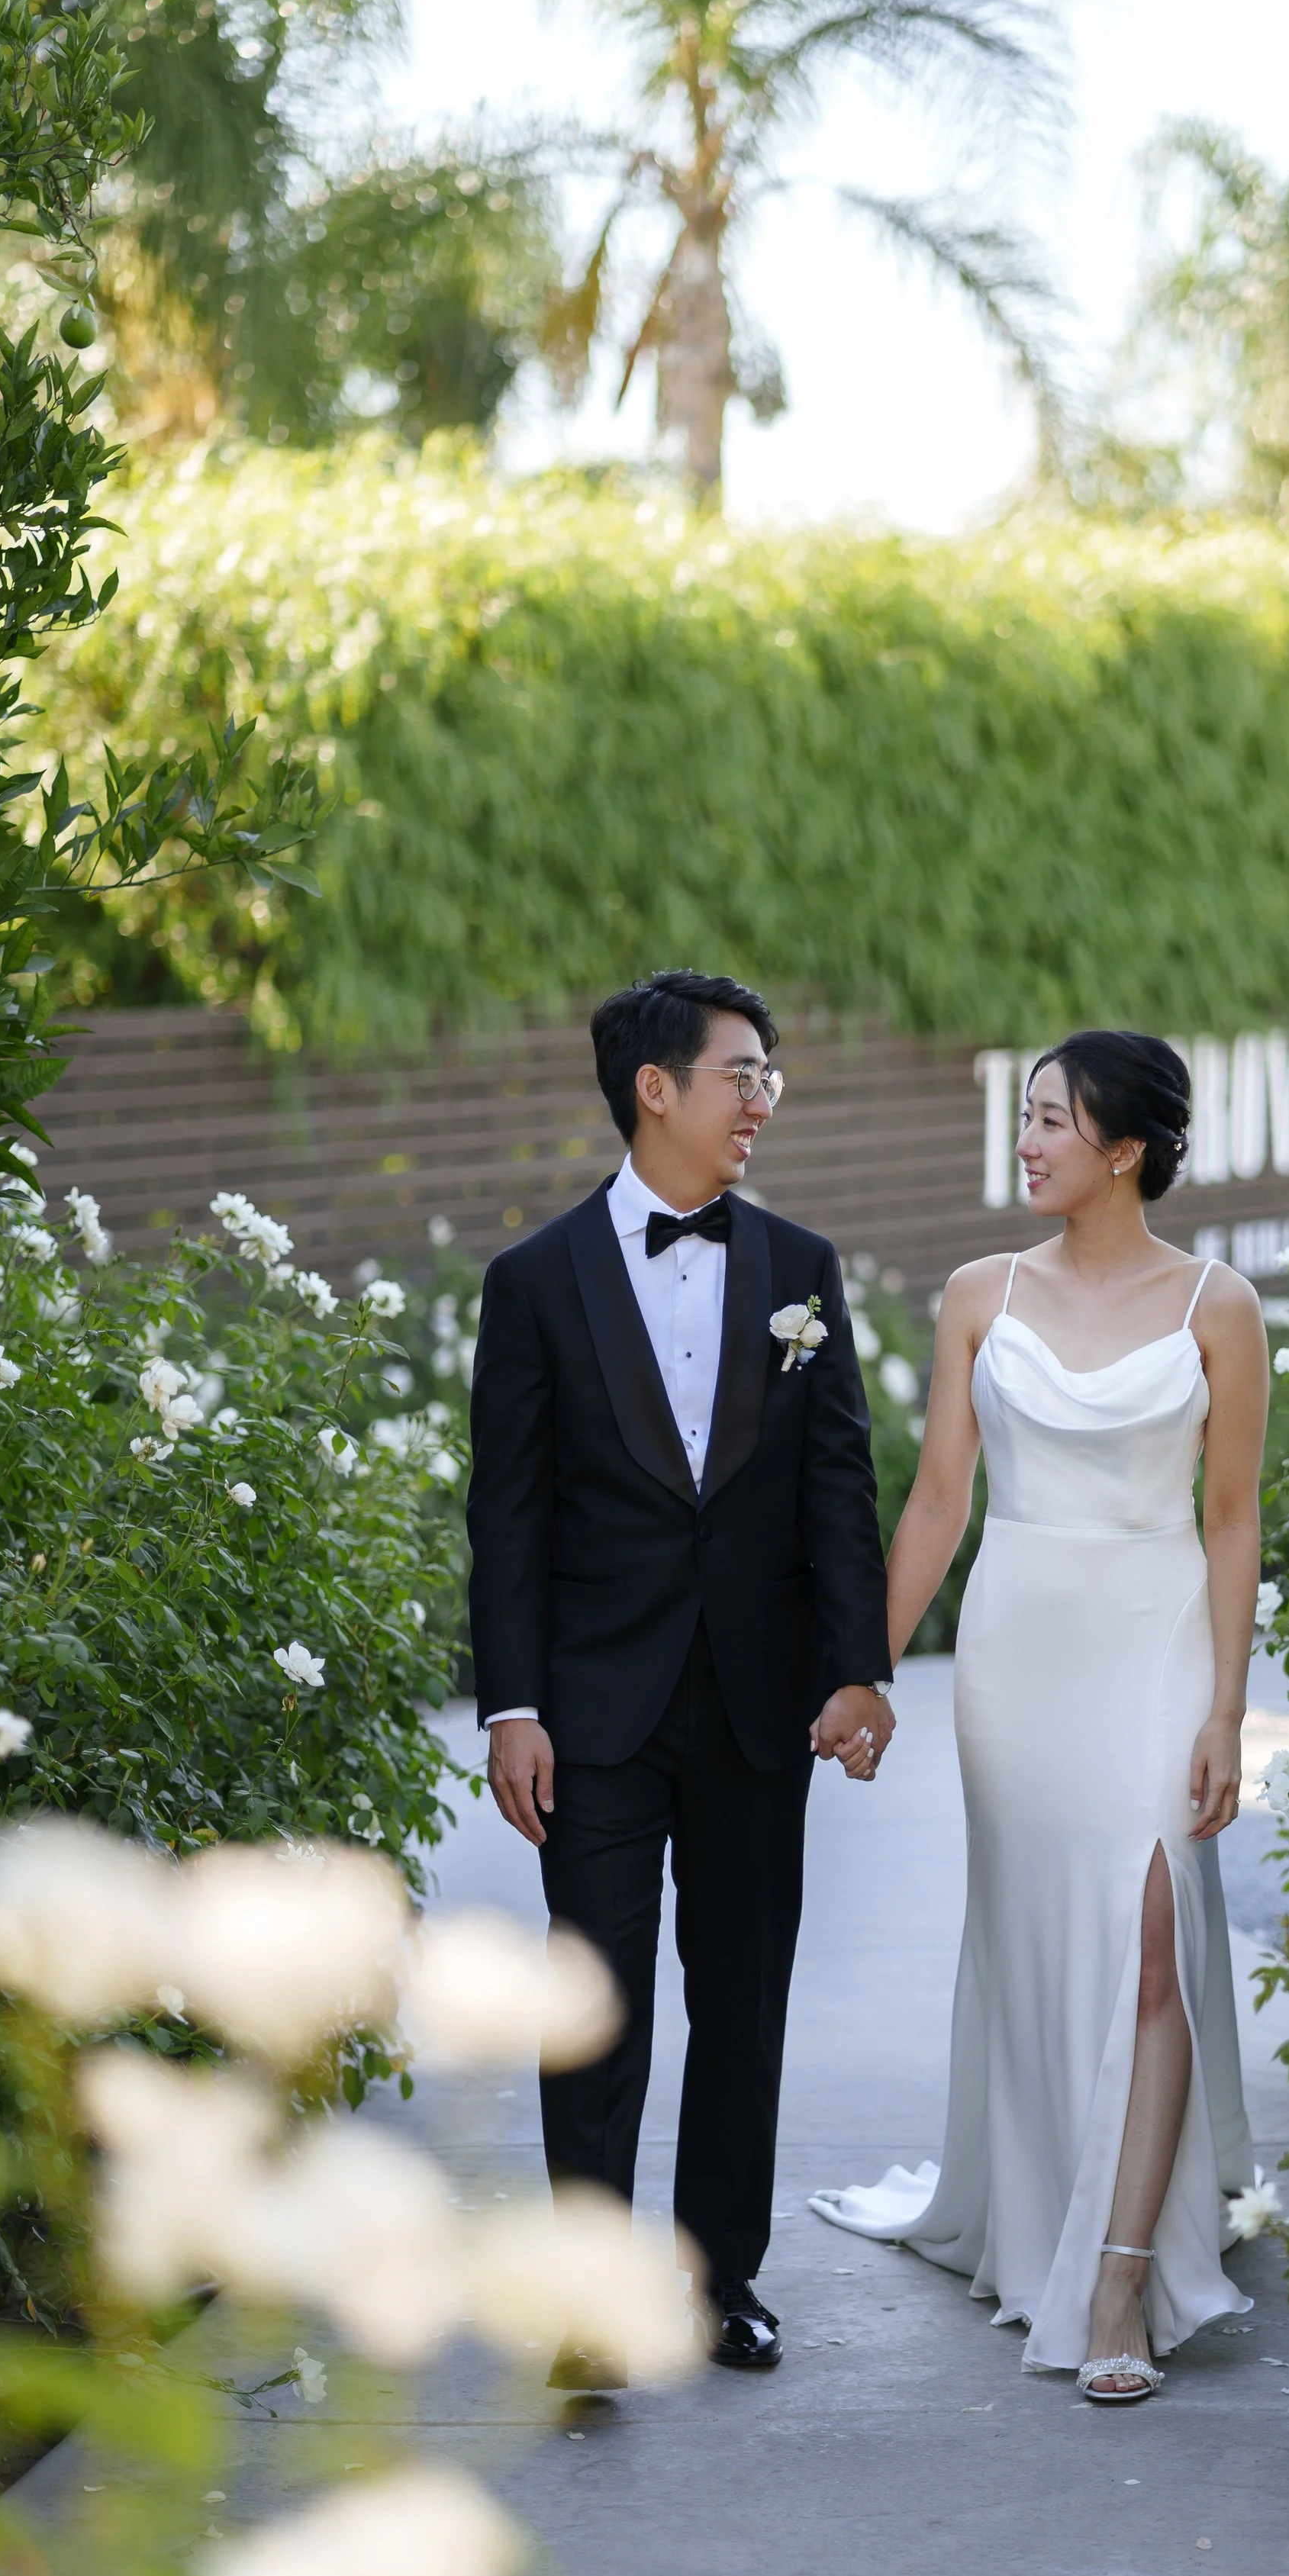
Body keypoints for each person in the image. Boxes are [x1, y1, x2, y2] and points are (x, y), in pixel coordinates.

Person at [810, 1032, 1268, 2401]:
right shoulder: (977, 1293)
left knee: (1153, 1935)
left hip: (1157, 1643)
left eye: (1053, 1120)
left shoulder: (1219, 1304)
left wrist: (1231, 1709)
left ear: (1124, 1148)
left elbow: (1233, 1515)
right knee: (1033, 1939)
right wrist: (866, 1673)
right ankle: (1034, 2209)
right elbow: (940, 1501)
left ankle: (1120, 2279)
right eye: (1026, 1117)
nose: (1028, 1141)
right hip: (1019, 1654)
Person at [466, 968, 895, 2384]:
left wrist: (859, 1671)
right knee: (596, 2002)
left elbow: (840, 1484)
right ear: (657, 1088)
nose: (762, 1100)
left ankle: (722, 2280)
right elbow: (509, 1514)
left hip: (757, 1704)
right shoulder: (532, 1281)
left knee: (742, 1998)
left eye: (770, 1077)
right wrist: (513, 1703)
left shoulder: (801, 1270)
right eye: (743, 1073)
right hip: (591, 1708)